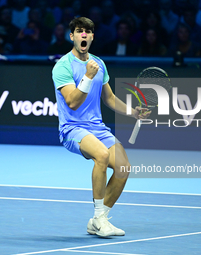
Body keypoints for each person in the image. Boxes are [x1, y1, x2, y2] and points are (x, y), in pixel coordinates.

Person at [52, 17, 150, 237]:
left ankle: (99, 219)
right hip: (72, 129)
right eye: (79, 31)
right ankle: (98, 219)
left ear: (92, 36)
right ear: (72, 36)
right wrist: (87, 76)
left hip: (97, 128)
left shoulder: (99, 63)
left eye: (87, 31)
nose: (83, 35)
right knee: (102, 156)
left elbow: (110, 98)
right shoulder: (62, 66)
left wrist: (133, 112)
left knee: (123, 167)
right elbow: (73, 102)